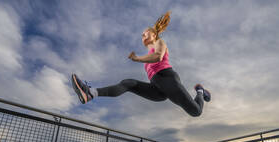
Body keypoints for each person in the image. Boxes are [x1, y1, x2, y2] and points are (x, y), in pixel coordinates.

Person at [71, 11, 211, 117]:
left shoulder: (159, 43)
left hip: (168, 79)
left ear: (154, 35)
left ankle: (200, 90)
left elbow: (158, 57)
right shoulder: (149, 50)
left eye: (145, 34)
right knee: (128, 83)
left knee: (195, 111)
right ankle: (91, 93)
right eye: (142, 35)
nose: (143, 37)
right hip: (157, 88)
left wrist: (138, 59)